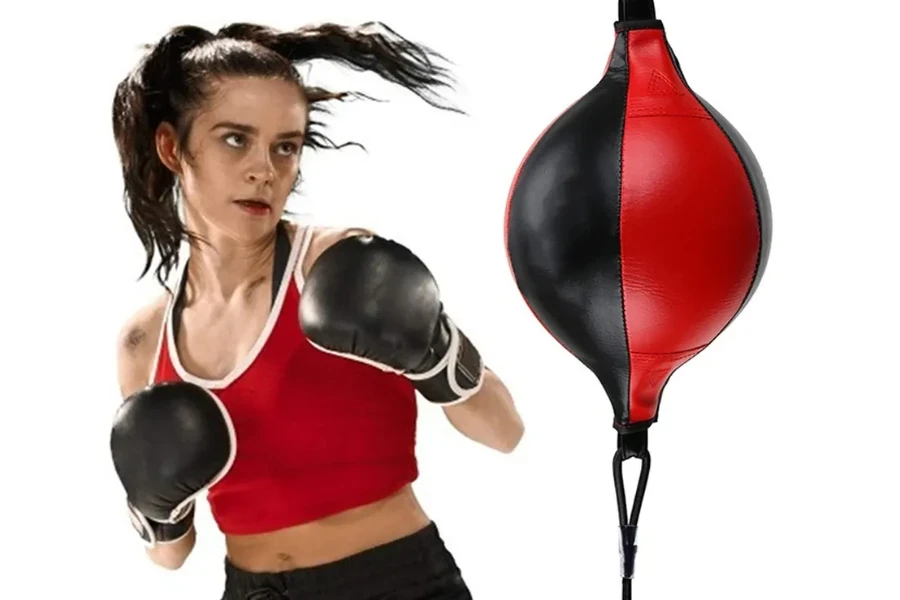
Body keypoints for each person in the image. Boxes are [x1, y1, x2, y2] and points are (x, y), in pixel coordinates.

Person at [107, 21, 525, 600]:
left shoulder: (336, 268)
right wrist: (156, 510)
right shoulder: (144, 341)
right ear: (172, 148)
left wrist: (435, 352)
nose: (265, 169)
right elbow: (170, 556)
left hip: (394, 583)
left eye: (286, 146)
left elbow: (505, 430)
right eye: (236, 139)